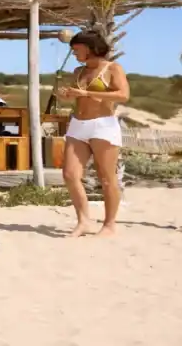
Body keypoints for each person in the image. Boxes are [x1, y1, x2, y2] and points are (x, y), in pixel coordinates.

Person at [57, 30, 130, 237]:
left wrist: (87, 93)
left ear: (89, 48)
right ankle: (84, 221)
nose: (74, 54)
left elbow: (123, 95)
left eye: (76, 49)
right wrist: (67, 95)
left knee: (107, 178)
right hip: (78, 124)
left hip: (103, 125)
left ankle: (109, 224)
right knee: (70, 174)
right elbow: (76, 96)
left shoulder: (112, 68)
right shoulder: (78, 71)